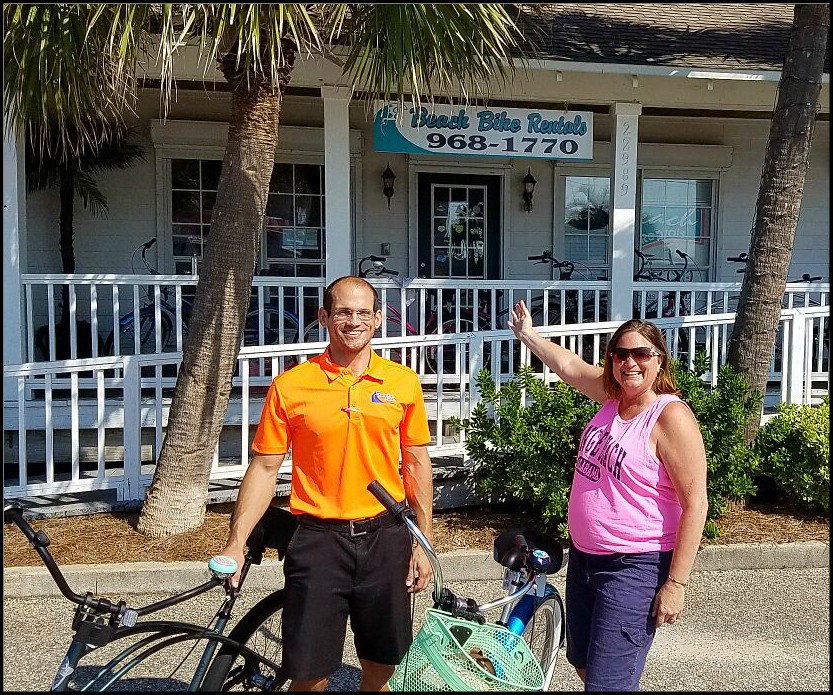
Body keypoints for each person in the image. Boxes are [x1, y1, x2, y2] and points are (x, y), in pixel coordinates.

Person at [220, 275, 434, 692]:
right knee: (308, 675)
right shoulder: (291, 385)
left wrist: (422, 543)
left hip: (384, 538)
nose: (352, 321)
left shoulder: (402, 382)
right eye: (342, 312)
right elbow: (264, 469)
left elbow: (416, 463)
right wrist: (236, 540)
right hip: (318, 542)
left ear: (376, 320)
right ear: (324, 318)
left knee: (382, 669)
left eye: (361, 313)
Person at [508, 301, 708, 692]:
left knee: (608, 684)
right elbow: (568, 366)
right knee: (581, 661)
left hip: (633, 569)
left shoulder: (669, 417)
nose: (629, 363)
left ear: (660, 361)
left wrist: (676, 584)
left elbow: (695, 502)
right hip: (585, 562)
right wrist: (527, 335)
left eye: (641, 354)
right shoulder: (613, 399)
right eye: (620, 354)